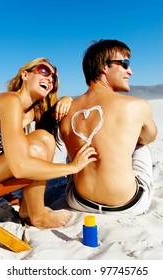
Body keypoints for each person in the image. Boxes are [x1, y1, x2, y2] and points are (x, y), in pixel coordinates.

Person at [0, 57, 97, 229]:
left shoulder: (33, 113)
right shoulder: (8, 101)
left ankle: (27, 209)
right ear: (25, 75)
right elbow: (19, 167)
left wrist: (67, 98)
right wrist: (72, 167)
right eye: (44, 71)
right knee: (36, 147)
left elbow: (51, 114)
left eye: (53, 78)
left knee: (43, 138)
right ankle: (37, 216)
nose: (49, 78)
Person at [60, 39, 157, 215]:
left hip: (78, 201)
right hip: (128, 204)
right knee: (141, 145)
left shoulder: (65, 110)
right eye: (125, 64)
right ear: (104, 67)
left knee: (77, 144)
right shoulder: (137, 105)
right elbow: (149, 138)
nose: (131, 71)